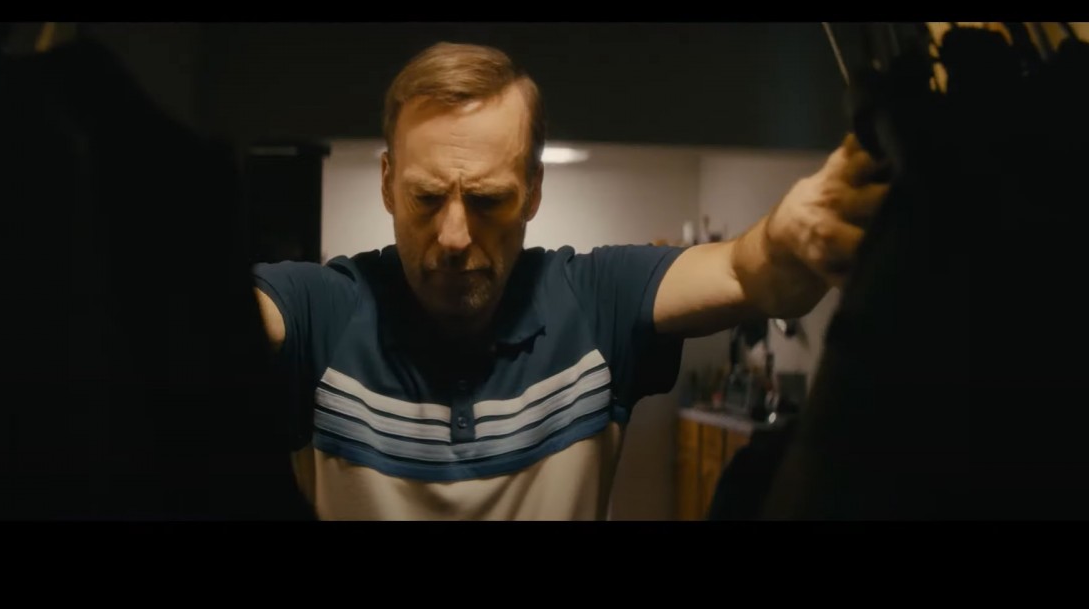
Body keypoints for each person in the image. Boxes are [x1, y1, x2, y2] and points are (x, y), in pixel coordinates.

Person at [252, 41, 888, 520]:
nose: (453, 236)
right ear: (389, 183)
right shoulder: (324, 311)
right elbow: (217, 317)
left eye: (488, 200)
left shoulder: (594, 302)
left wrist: (790, 237)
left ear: (533, 192)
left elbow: (748, 271)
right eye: (425, 198)